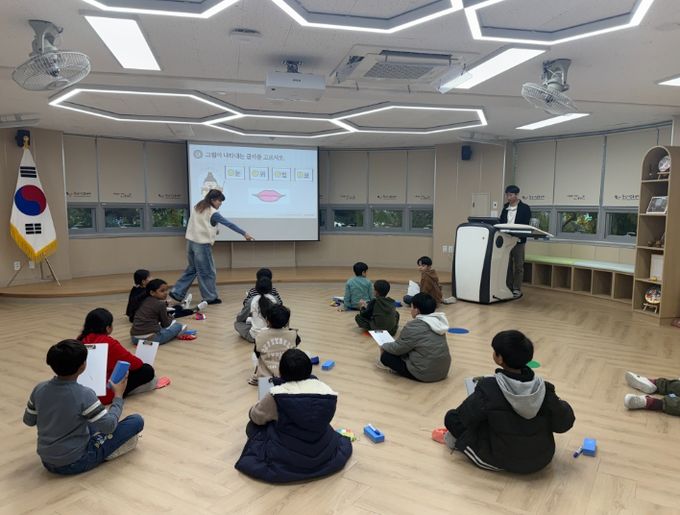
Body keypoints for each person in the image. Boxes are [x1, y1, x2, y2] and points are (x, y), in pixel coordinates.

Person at [436, 330, 575, 474]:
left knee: (453, 420)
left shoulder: (488, 388)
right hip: (541, 459)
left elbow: (458, 419)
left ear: (500, 358)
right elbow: (564, 423)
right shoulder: (544, 389)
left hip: (501, 460)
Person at [23, 339, 144, 475]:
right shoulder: (84, 394)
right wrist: (118, 396)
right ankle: (104, 450)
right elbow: (109, 427)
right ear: (83, 366)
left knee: (88, 418)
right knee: (136, 420)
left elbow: (29, 420)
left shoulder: (39, 388)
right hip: (76, 461)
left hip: (46, 460)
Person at [234, 349, 352, 483]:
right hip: (323, 449)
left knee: (252, 427)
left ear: (281, 372)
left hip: (287, 454)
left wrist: (254, 408)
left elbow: (257, 417)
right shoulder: (326, 390)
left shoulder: (276, 394)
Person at [169, 189, 254, 306]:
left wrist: (214, 230)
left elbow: (203, 224)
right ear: (213, 200)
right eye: (219, 201)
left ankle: (177, 292)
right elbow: (229, 224)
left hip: (190, 243)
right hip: (202, 245)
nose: (221, 203)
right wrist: (244, 233)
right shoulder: (213, 212)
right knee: (207, 272)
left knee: (192, 269)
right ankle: (210, 297)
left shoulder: (198, 206)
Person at [79, 308, 169, 404]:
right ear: (108, 328)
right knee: (147, 370)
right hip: (104, 394)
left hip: (82, 393)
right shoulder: (108, 343)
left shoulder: (80, 340)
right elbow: (137, 364)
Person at [378, 292, 450, 382]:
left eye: (411, 307)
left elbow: (398, 349)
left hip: (424, 373)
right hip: (443, 371)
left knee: (386, 357)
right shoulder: (437, 322)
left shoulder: (413, 326)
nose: (411, 310)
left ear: (416, 310)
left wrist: (384, 346)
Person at [249, 304, 301, 385]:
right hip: (287, 374)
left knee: (256, 356)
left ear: (267, 320)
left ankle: (257, 378)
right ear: (287, 322)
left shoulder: (260, 335)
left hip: (266, 377)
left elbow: (257, 353)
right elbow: (297, 344)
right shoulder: (293, 334)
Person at [131, 279, 187, 345]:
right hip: (152, 339)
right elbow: (165, 325)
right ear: (152, 292)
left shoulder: (143, 300)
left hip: (135, 339)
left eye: (166, 290)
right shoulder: (161, 304)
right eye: (162, 291)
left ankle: (145, 342)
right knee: (178, 326)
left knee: (158, 327)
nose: (166, 293)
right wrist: (171, 318)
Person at [499, 185, 531, 297]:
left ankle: (517, 288)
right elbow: (501, 222)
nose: (508, 197)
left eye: (510, 195)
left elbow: (526, 224)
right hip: (506, 240)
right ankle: (508, 286)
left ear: (516, 195)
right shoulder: (505, 207)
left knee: (518, 266)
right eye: (507, 195)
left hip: (518, 240)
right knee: (507, 265)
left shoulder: (525, 208)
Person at [247, 277, 280, 342]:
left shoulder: (252, 300)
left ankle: (256, 339)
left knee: (238, 324)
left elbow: (247, 316)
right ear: (271, 288)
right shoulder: (275, 299)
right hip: (273, 333)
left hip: (256, 335)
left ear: (256, 288)